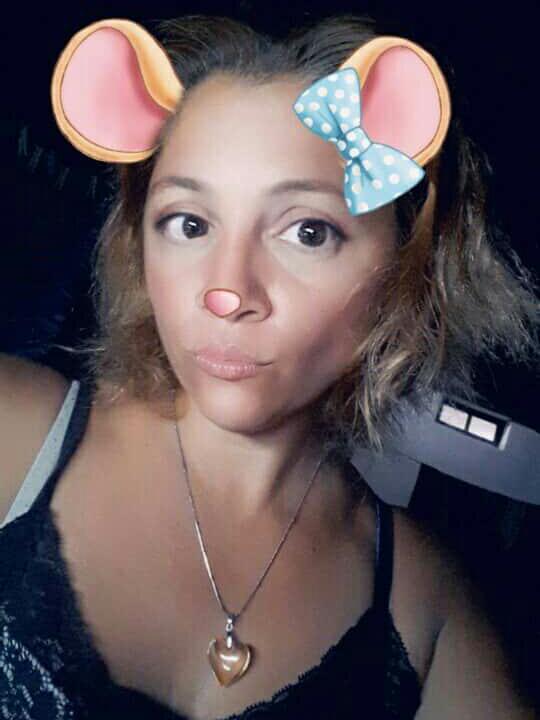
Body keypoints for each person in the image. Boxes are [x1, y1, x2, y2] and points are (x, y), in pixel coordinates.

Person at [1, 12, 538, 720]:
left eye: (308, 232)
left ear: (403, 269)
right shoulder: (13, 432)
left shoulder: (426, 609)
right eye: (189, 224)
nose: (227, 293)